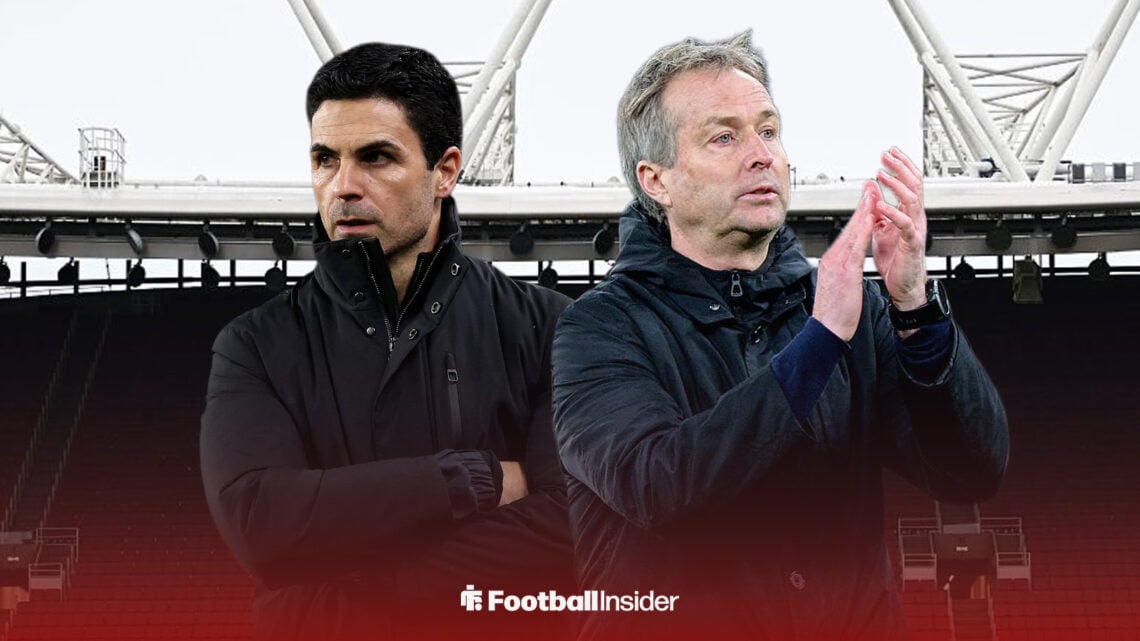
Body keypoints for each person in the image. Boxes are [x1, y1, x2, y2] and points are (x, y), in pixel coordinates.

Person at [552, 32, 1009, 641]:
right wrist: (819, 343)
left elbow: (970, 473)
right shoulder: (598, 327)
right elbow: (658, 485)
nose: (762, 154)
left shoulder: (857, 311)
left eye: (768, 131)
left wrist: (913, 309)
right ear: (655, 179)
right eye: (724, 137)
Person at [200, 42, 574, 641]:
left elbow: (573, 529)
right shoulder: (255, 344)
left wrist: (336, 597)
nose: (343, 186)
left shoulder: (552, 327)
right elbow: (261, 526)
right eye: (325, 159)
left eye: (376, 157)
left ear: (445, 170)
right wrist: (474, 480)